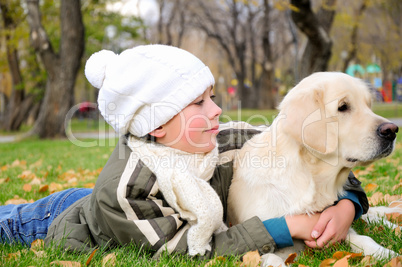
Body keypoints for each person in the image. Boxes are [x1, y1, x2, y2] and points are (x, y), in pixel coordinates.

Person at [0, 45, 368, 258]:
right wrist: (284, 227)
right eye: (198, 103)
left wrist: (346, 207)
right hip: (70, 218)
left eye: (211, 97)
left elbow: (311, 155)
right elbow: (190, 249)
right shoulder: (127, 189)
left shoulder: (228, 139)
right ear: (157, 125)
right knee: (10, 222)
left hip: (106, 205)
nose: (217, 110)